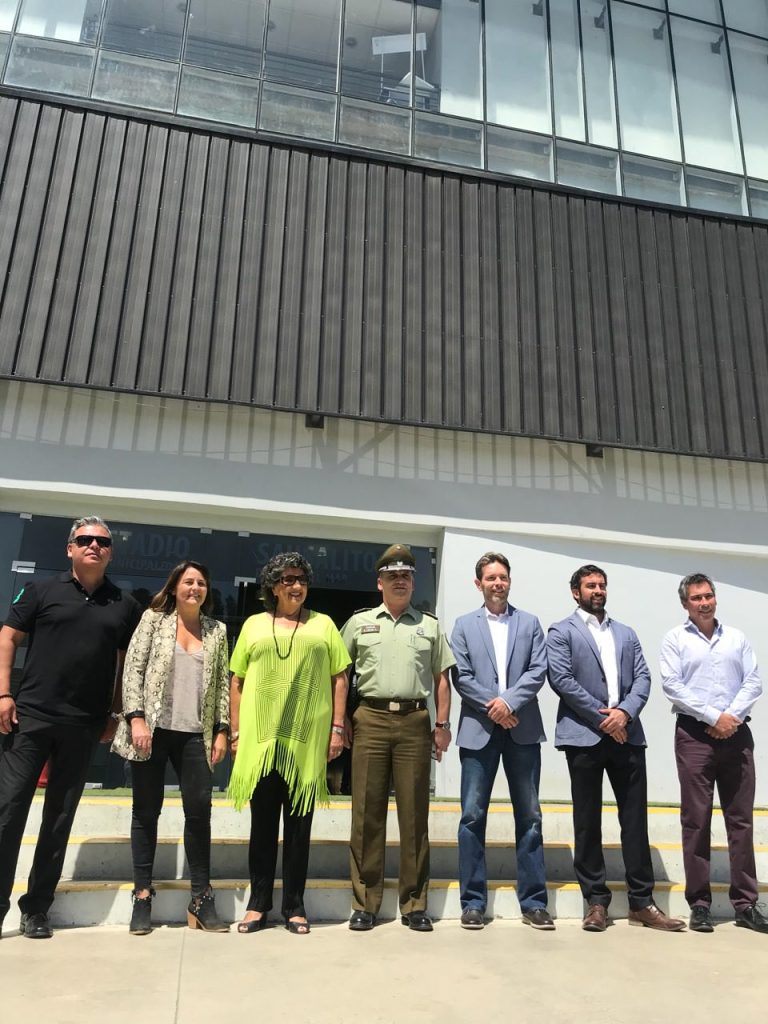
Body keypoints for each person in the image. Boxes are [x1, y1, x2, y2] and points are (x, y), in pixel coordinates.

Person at [0, 515, 141, 940]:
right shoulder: (41, 590)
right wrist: (4, 694)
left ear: (110, 551)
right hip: (31, 718)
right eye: (85, 540)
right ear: (70, 548)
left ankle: (37, 908)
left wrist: (114, 713)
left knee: (59, 819)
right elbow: (8, 637)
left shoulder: (124, 604)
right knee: (7, 814)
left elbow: (124, 664)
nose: (93, 546)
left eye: (102, 541)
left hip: (84, 726)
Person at [546, 564, 685, 933]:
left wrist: (624, 713)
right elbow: (561, 679)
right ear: (576, 591)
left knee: (635, 821)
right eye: (591, 585)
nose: (598, 590)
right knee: (587, 823)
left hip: (628, 737)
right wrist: (603, 718)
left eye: (602, 585)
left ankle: (642, 902)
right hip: (584, 738)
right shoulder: (561, 631)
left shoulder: (626, 633)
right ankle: (596, 902)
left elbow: (643, 677)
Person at [228, 552, 349, 936]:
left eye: (301, 579)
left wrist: (336, 728)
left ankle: (295, 906)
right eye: (287, 579)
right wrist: (234, 730)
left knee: (299, 829)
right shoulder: (252, 625)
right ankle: (257, 905)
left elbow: (340, 678)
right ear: (272, 586)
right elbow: (237, 681)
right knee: (262, 827)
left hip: (305, 742)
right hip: (262, 742)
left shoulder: (324, 625)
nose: (295, 586)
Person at [112, 560, 230, 934]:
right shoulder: (153, 620)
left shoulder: (217, 631)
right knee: (146, 812)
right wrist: (136, 717)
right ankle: (143, 896)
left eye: (201, 583)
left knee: (199, 813)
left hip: (195, 734)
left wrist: (223, 729)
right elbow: (133, 669)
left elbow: (223, 685)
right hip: (153, 730)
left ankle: (200, 898)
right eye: (188, 581)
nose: (195, 588)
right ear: (175, 586)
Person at [342, 544, 454, 933]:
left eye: (406, 575)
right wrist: (341, 722)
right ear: (380, 582)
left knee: (413, 817)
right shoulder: (359, 623)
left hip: (414, 723)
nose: (400, 581)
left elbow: (442, 678)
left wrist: (442, 726)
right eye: (393, 576)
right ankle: (365, 903)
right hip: (370, 719)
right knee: (366, 816)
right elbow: (339, 675)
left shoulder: (429, 625)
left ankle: (414, 903)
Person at [450, 552, 553, 931]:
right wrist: (495, 707)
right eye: (491, 577)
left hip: (522, 731)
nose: (498, 583)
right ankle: (473, 902)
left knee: (530, 817)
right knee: (472, 817)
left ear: (509, 581)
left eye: (503, 577)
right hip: (479, 732)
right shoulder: (463, 625)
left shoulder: (529, 623)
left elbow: (538, 669)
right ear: (478, 583)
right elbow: (461, 675)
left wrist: (508, 703)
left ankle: (534, 903)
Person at [660, 573, 766, 934]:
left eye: (708, 596)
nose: (704, 603)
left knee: (741, 820)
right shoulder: (675, 640)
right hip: (694, 736)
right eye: (696, 598)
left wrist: (729, 718)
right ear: (685, 603)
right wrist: (711, 716)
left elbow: (753, 680)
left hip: (736, 734)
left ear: (715, 598)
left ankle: (746, 904)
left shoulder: (736, 638)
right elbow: (671, 685)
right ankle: (700, 904)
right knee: (696, 820)